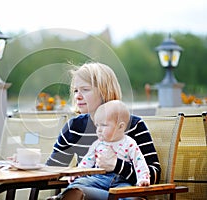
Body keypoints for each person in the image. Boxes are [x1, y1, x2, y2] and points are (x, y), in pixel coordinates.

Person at [45, 62, 161, 199]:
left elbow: (155, 174)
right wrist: (24, 165)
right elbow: (52, 169)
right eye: (76, 90)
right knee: (76, 191)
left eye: (85, 89)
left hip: (123, 192)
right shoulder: (74, 127)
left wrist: (117, 165)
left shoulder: (133, 125)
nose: (77, 96)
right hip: (90, 190)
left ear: (104, 91)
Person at [67, 100, 150, 197]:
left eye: (104, 125)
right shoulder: (97, 144)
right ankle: (60, 198)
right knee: (76, 185)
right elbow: (87, 162)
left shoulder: (130, 143)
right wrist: (78, 173)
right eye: (97, 125)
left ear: (120, 127)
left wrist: (143, 178)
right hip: (98, 178)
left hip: (121, 181)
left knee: (131, 196)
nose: (99, 130)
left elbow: (139, 163)